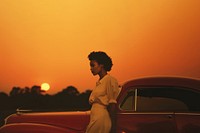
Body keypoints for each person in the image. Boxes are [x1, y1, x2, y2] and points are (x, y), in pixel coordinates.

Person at [86, 51, 120, 133]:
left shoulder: (109, 80)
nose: (91, 68)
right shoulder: (99, 82)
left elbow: (112, 104)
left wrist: (113, 127)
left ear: (101, 65)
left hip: (101, 119)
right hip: (95, 118)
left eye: (93, 65)